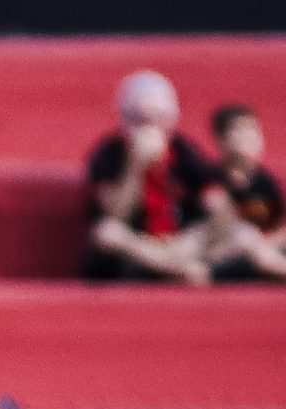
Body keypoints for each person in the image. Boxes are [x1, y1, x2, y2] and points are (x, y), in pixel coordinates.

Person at [82, 71, 217, 284]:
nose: (151, 128)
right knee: (107, 234)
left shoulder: (186, 153)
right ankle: (174, 270)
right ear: (124, 119)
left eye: (159, 119)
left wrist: (191, 237)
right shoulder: (108, 155)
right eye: (140, 120)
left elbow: (217, 207)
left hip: (179, 242)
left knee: (233, 234)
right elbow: (113, 215)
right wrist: (136, 166)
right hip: (134, 244)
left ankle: (169, 267)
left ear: (173, 119)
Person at [201, 104, 286, 282]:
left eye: (253, 131)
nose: (248, 139)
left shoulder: (266, 183)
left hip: (260, 251)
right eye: (239, 132)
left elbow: (278, 226)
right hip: (217, 256)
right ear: (221, 139)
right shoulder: (209, 179)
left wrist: (265, 243)